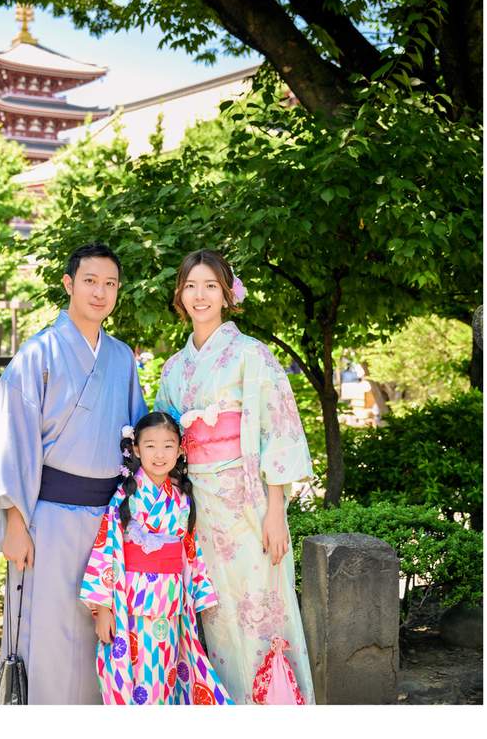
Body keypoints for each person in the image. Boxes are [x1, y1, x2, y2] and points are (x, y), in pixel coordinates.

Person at [0, 243, 148, 703]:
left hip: (109, 525)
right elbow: (13, 442)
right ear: (69, 284)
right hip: (47, 518)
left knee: (103, 639)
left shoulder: (122, 358)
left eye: (110, 284)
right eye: (90, 281)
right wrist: (14, 523)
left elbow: (138, 443)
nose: (100, 292)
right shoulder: (37, 354)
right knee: (47, 639)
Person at [154, 250, 314, 704]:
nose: (199, 295)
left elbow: (277, 431)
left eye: (209, 286)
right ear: (179, 296)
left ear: (227, 294)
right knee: (216, 618)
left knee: (262, 614)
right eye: (190, 286)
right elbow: (164, 441)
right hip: (197, 510)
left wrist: (276, 510)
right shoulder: (174, 368)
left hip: (247, 503)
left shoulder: (251, 355)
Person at [80, 412, 232, 704]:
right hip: (131, 607)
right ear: (136, 449)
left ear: (180, 449)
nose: (159, 454)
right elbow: (106, 548)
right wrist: (102, 609)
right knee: (135, 680)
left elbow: (190, 550)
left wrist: (199, 595)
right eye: (150, 446)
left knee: (166, 678)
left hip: (171, 603)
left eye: (168, 445)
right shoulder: (126, 496)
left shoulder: (182, 497)